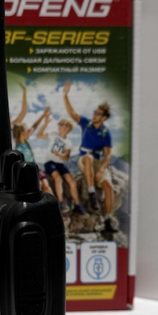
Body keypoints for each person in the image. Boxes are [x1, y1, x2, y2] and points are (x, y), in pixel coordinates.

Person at [62, 79, 116, 232]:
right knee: (88, 158)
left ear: (104, 117)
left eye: (98, 114)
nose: (94, 115)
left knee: (109, 187)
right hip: (84, 159)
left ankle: (107, 220)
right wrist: (65, 95)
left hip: (97, 162)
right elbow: (71, 113)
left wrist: (101, 171)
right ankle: (92, 194)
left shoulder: (106, 133)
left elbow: (107, 156)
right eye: (94, 112)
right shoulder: (86, 123)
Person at [37, 115, 87, 215]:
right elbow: (39, 135)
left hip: (60, 164)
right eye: (59, 124)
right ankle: (61, 203)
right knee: (58, 179)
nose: (59, 126)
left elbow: (66, 157)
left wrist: (59, 154)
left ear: (67, 128)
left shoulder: (68, 143)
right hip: (50, 162)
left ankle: (77, 205)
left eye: (62, 124)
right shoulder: (54, 135)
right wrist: (45, 123)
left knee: (72, 182)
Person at [12, 106, 52, 194]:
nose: (29, 131)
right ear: (22, 133)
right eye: (27, 130)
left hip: (35, 169)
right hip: (28, 172)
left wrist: (43, 115)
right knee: (39, 186)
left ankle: (54, 202)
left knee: (47, 187)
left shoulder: (25, 141)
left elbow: (35, 126)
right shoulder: (18, 149)